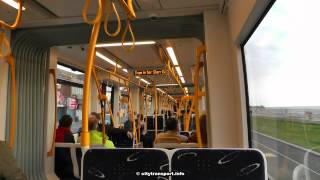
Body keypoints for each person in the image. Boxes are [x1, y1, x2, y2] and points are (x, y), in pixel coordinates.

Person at [54, 115, 76, 179]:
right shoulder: (69, 135)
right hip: (65, 166)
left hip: (54, 164)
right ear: (70, 125)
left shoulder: (54, 132)